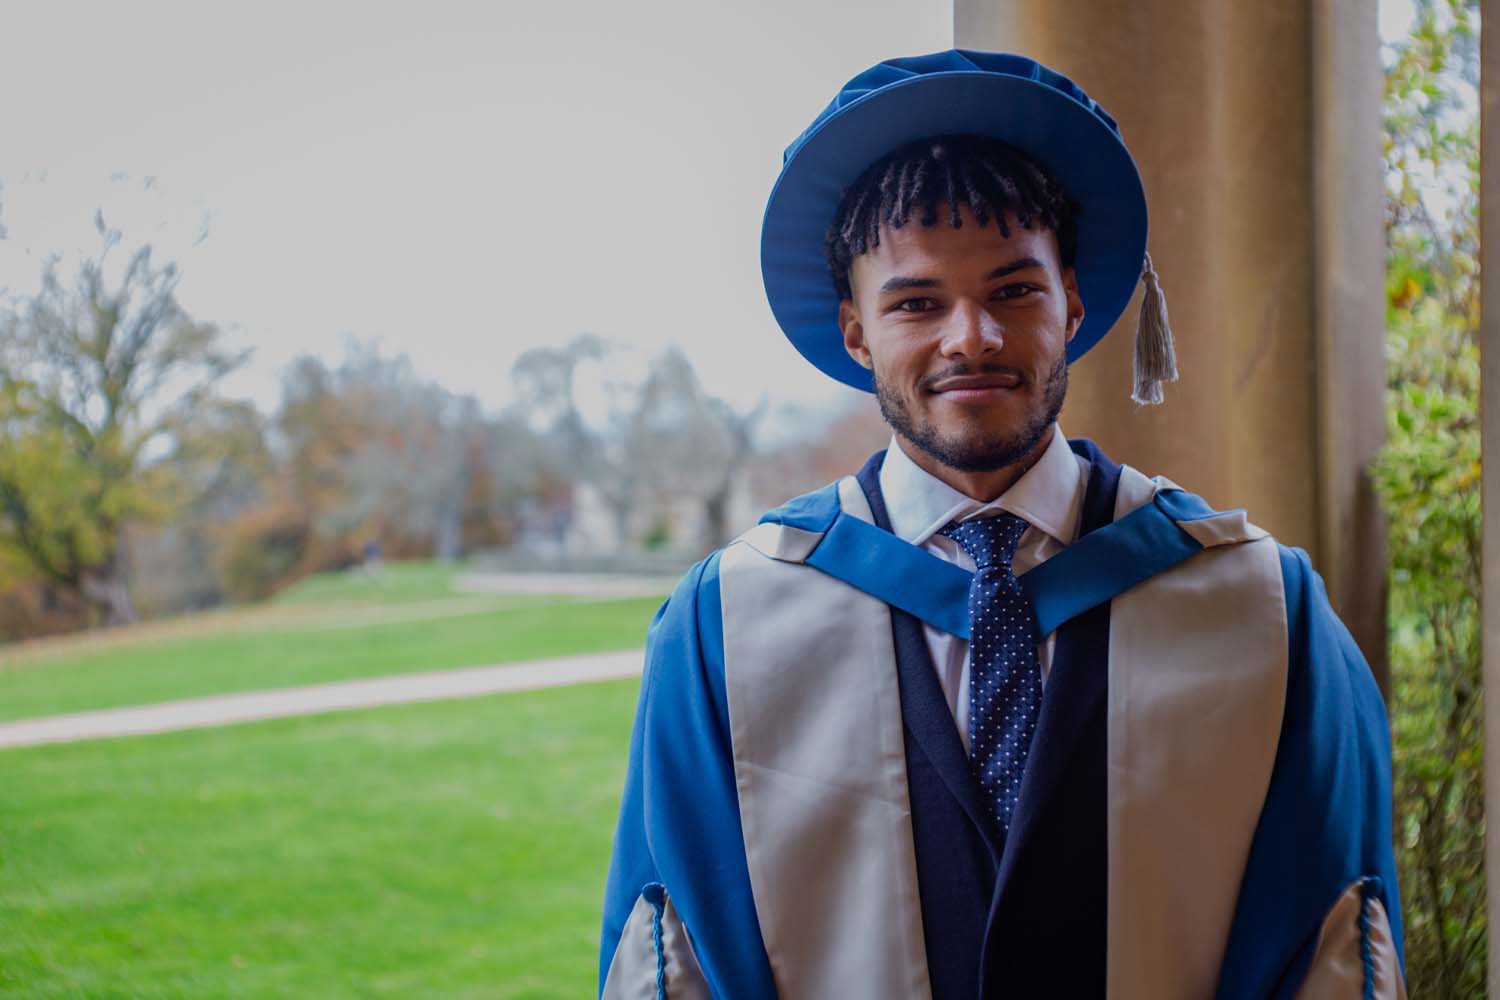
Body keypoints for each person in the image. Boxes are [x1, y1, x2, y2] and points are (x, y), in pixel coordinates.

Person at [598, 49, 1405, 999]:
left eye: (1013, 290)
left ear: (1074, 299)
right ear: (856, 332)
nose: (970, 336)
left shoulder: (1261, 612)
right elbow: (672, 965)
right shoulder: (729, 627)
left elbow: (1333, 954)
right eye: (916, 302)